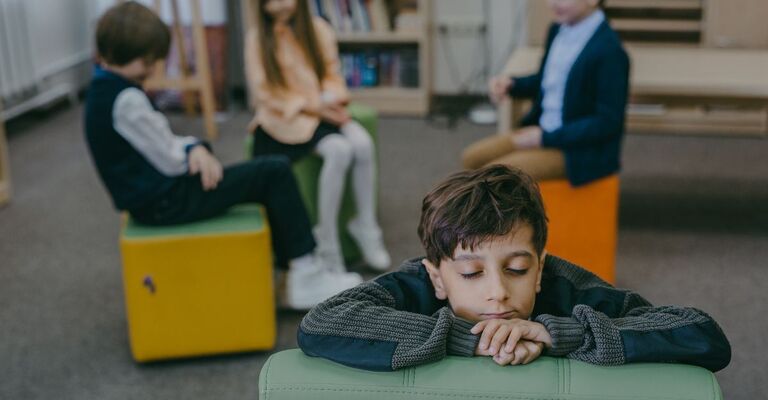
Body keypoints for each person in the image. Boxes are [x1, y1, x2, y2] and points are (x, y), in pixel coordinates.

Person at [298, 165, 731, 372]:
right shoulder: (418, 283)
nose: (498, 292)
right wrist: (466, 339)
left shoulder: (568, 286)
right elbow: (319, 323)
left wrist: (558, 334)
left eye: (518, 269)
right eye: (471, 274)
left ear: (539, 269)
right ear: (437, 277)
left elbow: (703, 336)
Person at [83, 1, 361, 310]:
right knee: (274, 172)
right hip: (167, 201)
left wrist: (193, 147)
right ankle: (305, 272)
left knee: (265, 175)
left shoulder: (102, 89)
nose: (151, 70)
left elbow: (158, 142)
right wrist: (195, 149)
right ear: (130, 55)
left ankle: (292, 271)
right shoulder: (127, 100)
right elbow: (171, 160)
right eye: (148, 62)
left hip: (153, 199)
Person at [244, 0, 390, 273]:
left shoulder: (318, 29)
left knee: (362, 143)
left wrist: (331, 101)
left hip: (323, 109)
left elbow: (331, 75)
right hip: (285, 116)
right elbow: (266, 93)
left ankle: (366, 226)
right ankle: (327, 240)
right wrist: (315, 107)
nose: (281, 4)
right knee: (339, 150)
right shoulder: (257, 39)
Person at [462, 0, 629, 187]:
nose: (552, 3)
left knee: (496, 177)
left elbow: (607, 122)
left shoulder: (610, 50)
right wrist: (512, 84)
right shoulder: (557, 30)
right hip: (542, 132)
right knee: (471, 158)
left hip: (577, 151)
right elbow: (546, 81)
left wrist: (544, 138)